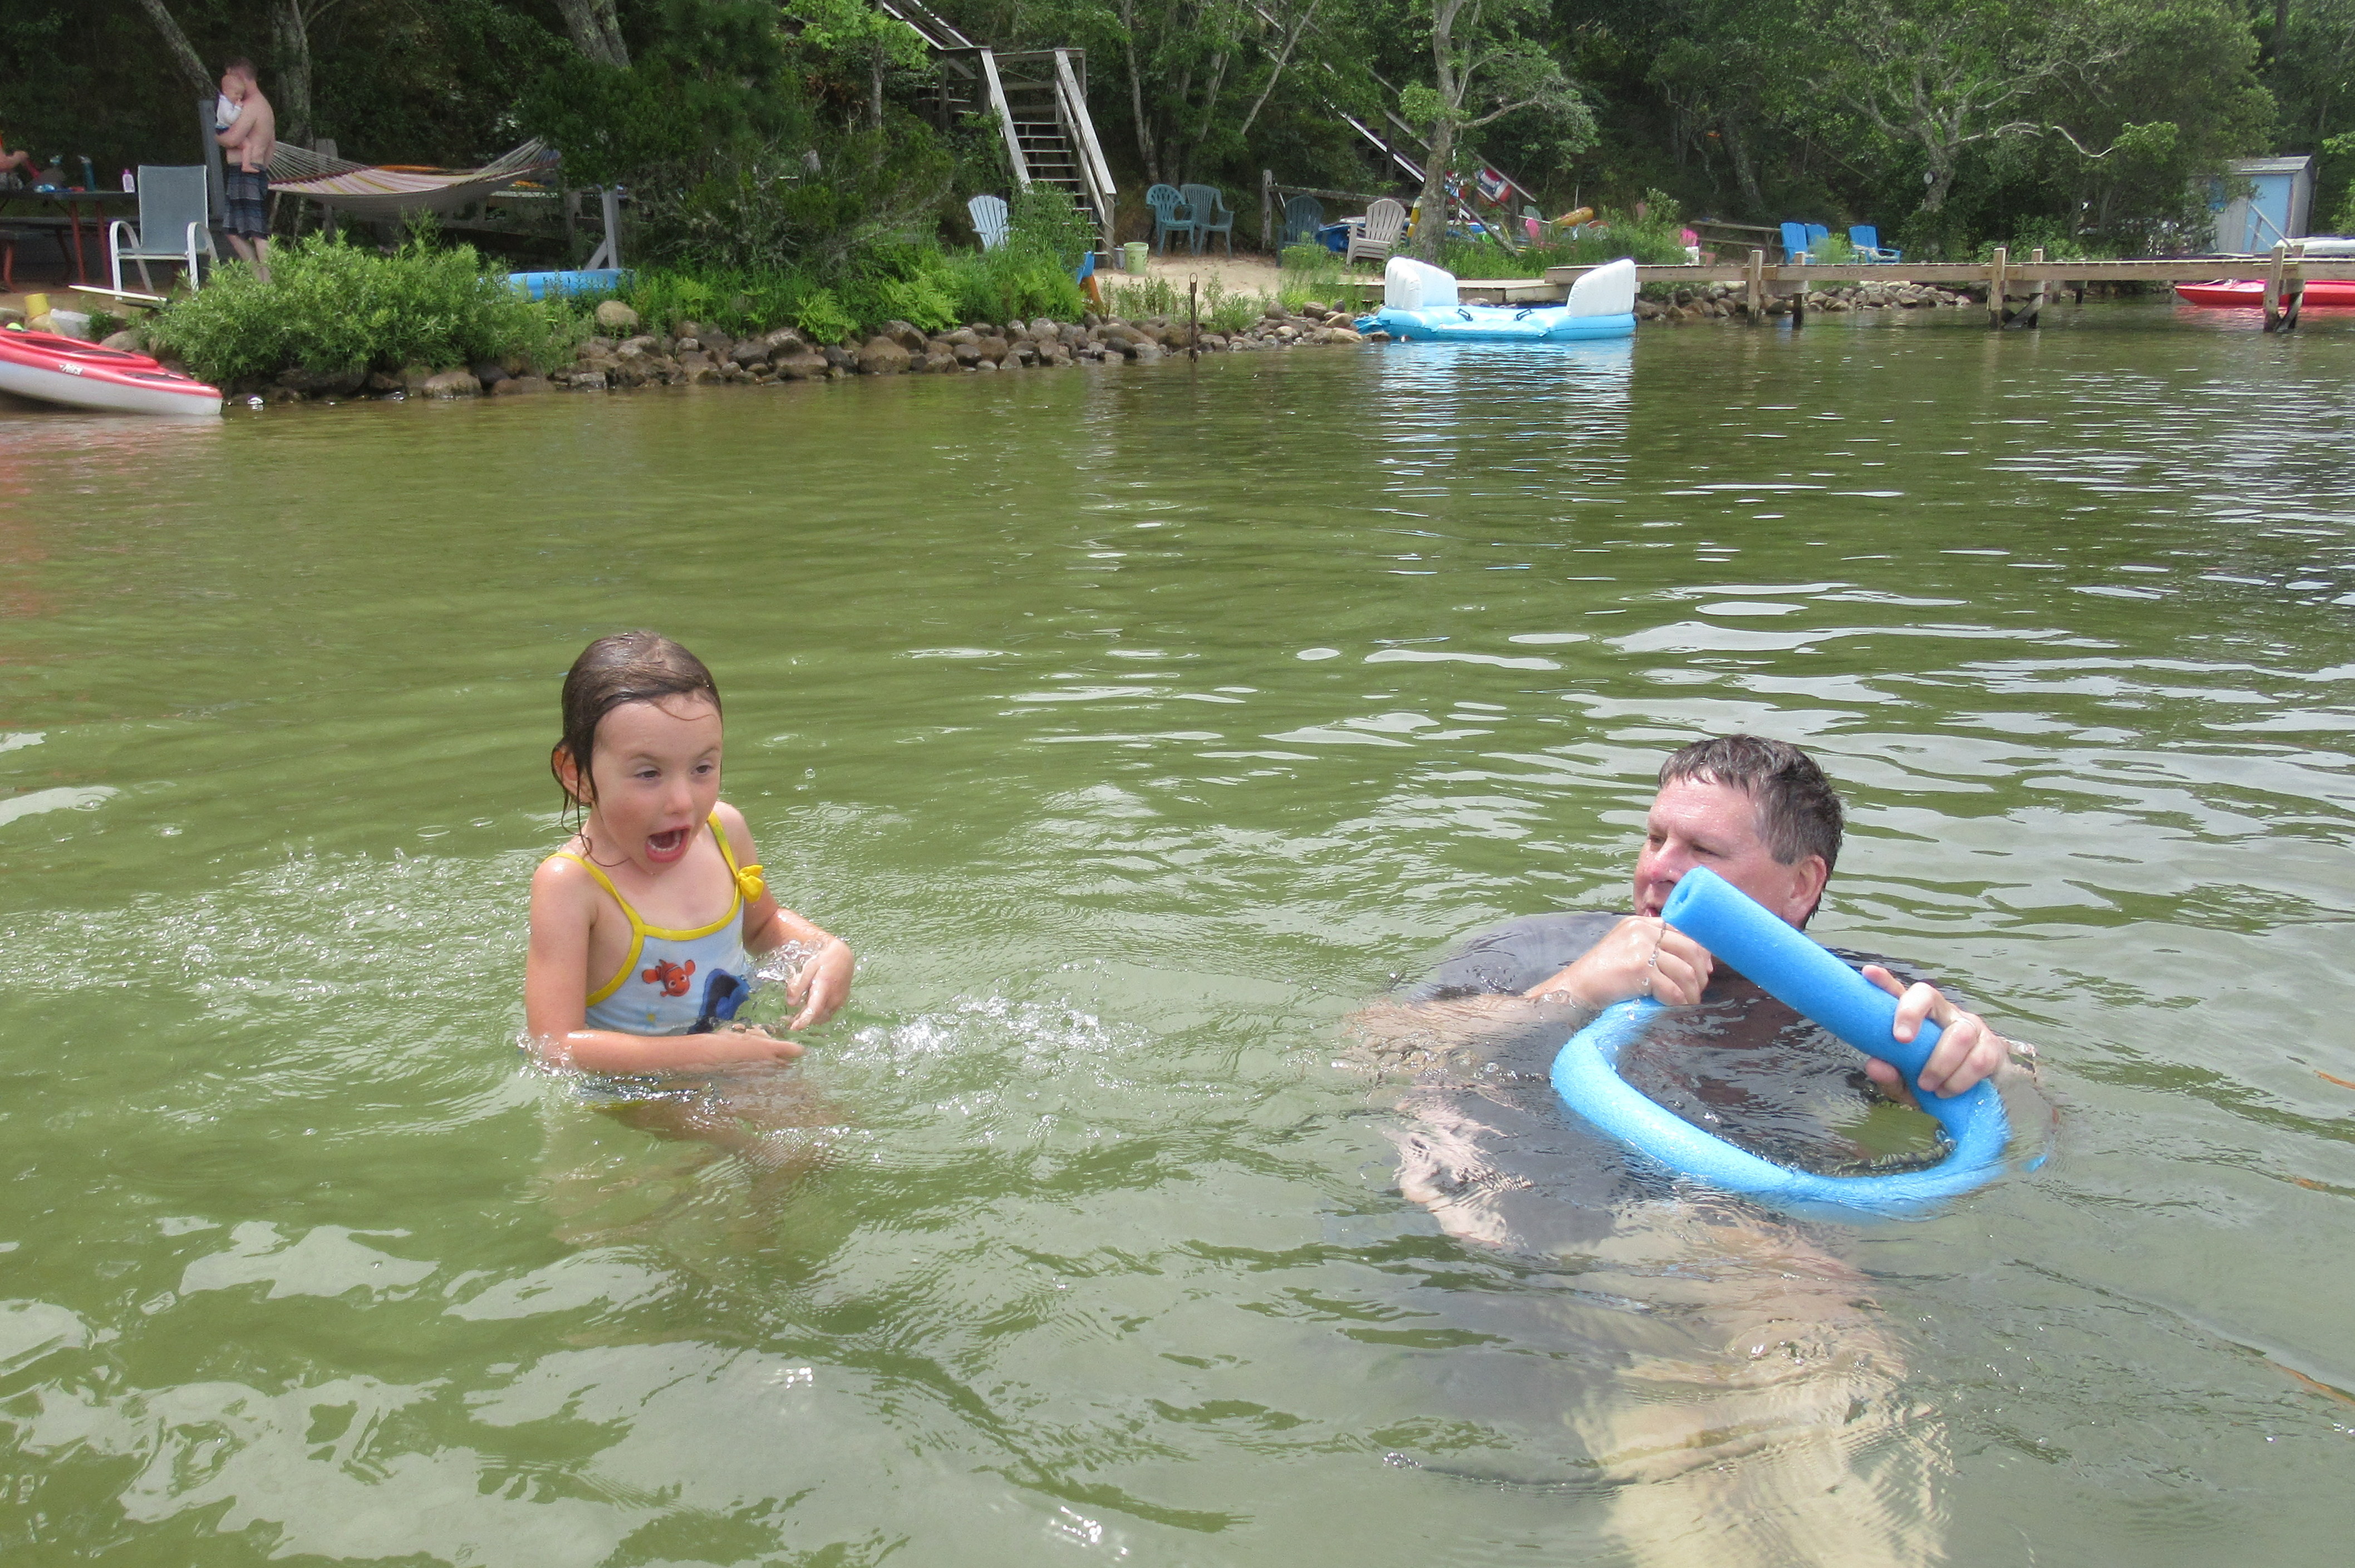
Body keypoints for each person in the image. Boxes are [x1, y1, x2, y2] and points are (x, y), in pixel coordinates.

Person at [524, 631, 855, 1077]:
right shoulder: (572, 885)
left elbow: (763, 925)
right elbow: (553, 1045)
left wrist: (828, 950)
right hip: (638, 1093)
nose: (682, 801)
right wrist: (707, 1054)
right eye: (648, 773)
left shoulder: (724, 831)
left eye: (702, 767)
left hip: (739, 1056)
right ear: (576, 774)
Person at [213, 58, 276, 283]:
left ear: (239, 77)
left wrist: (216, 136)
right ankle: (259, 280)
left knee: (257, 233)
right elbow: (272, 144)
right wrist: (263, 170)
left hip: (248, 172)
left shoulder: (252, 105)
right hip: (246, 172)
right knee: (232, 230)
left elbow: (232, 139)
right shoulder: (263, 105)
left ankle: (269, 284)